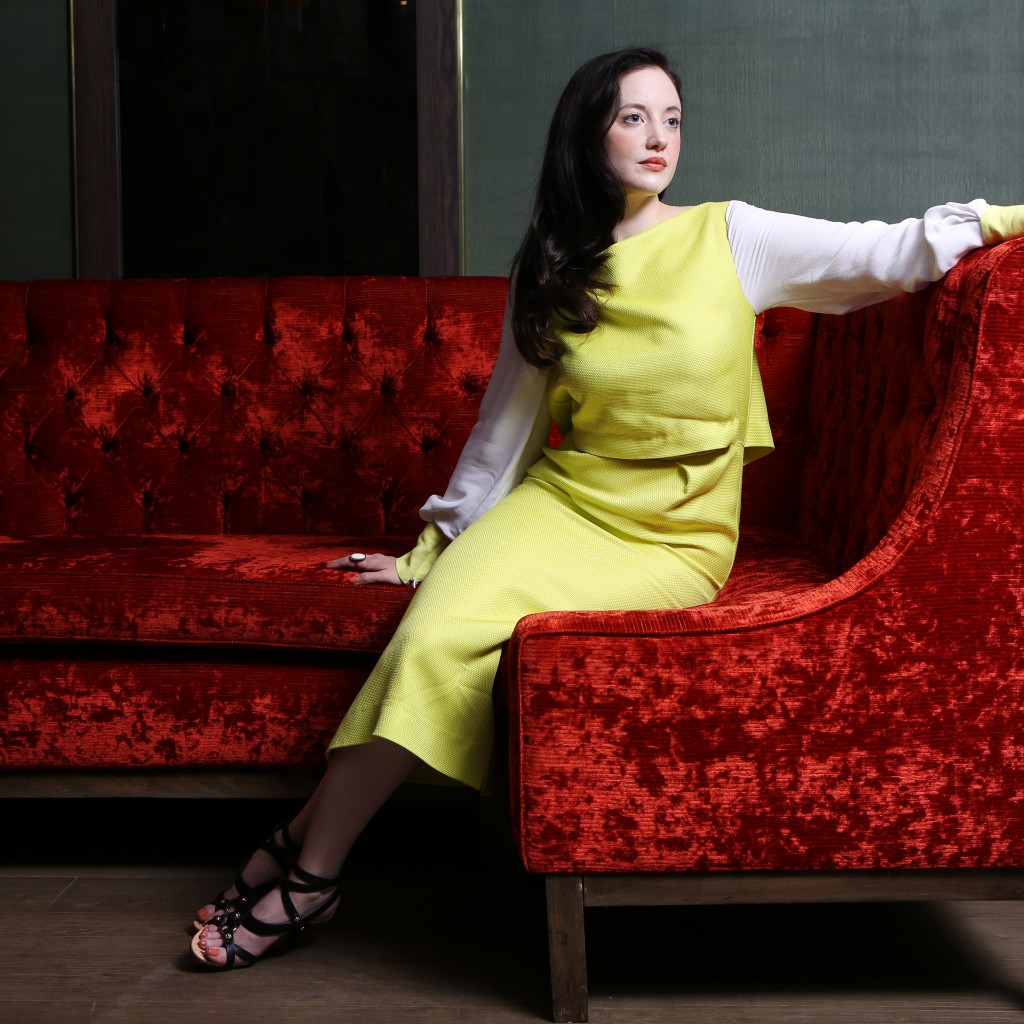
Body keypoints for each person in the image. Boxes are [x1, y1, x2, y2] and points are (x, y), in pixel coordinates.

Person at [191, 45, 1024, 969]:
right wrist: (435, 546)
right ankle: (314, 864)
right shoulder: (553, 266)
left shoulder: (731, 234)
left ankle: (302, 871)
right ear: (589, 133)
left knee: (443, 642)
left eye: (672, 119)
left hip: (674, 532)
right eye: (634, 117)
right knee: (431, 635)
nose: (659, 137)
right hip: (564, 501)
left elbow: (891, 251)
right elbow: (504, 430)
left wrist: (998, 220)